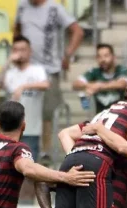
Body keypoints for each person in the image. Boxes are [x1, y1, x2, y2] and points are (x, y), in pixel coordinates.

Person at [15, 0, 85, 159]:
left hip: (49, 69)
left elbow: (77, 31)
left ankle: (45, 152)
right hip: (26, 68)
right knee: (21, 112)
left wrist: (67, 55)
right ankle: (20, 150)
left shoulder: (55, 8)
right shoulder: (22, 6)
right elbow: (17, 30)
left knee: (48, 112)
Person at [0, 36, 49, 161]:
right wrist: (7, 62)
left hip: (31, 128)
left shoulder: (37, 70)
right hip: (10, 130)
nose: (19, 53)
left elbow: (45, 84)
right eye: (16, 50)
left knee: (29, 165)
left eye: (23, 49)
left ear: (30, 51)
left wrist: (23, 86)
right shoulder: (10, 72)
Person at [73, 43, 127, 113]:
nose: (103, 59)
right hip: (100, 117)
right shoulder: (94, 72)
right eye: (99, 56)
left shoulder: (122, 69)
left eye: (106, 56)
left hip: (121, 116)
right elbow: (76, 84)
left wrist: (99, 86)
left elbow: (122, 84)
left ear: (114, 57)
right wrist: (91, 86)